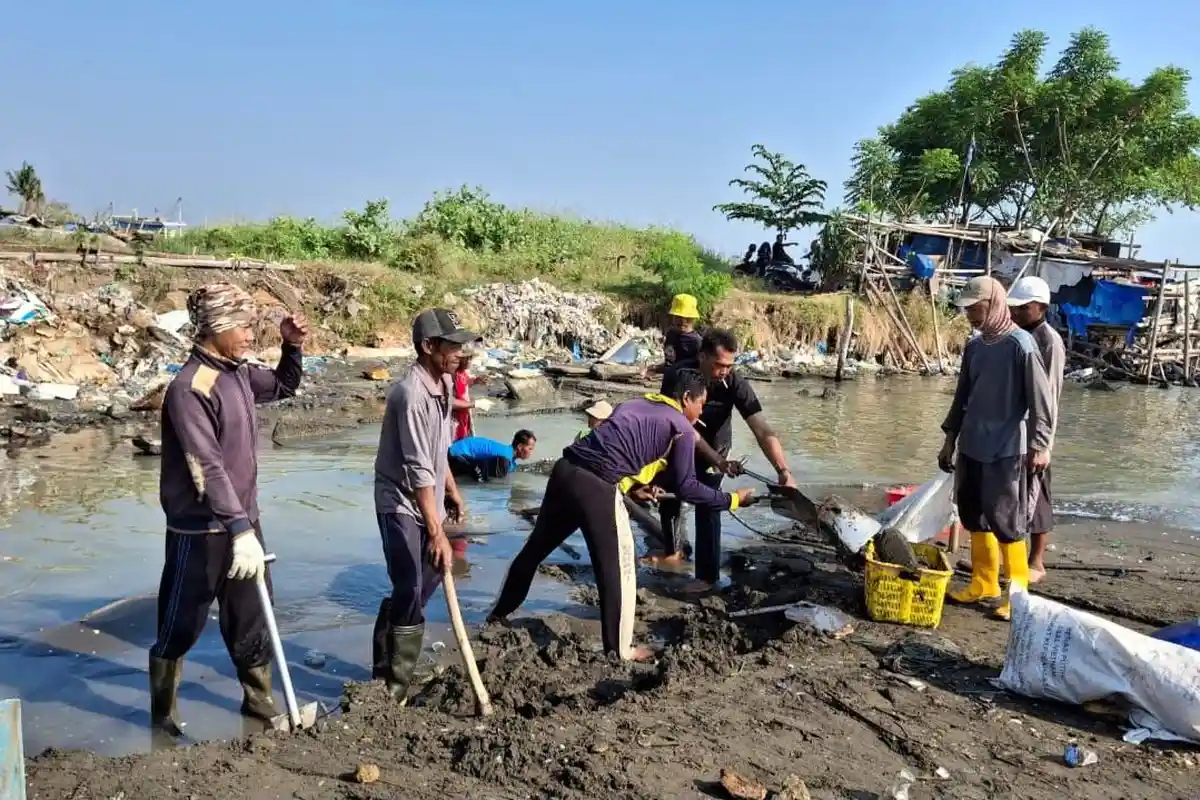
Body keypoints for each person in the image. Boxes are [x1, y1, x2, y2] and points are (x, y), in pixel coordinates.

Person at [488, 369, 755, 661]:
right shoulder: (681, 427)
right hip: (596, 487)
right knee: (619, 570)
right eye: (701, 403)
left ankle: (496, 615)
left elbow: (620, 448)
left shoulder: (632, 403)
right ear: (687, 398)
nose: (701, 411)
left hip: (566, 470)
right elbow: (687, 487)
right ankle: (619, 650)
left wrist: (634, 488)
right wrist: (730, 500)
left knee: (533, 551)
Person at [149, 282, 308, 736]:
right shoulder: (190, 387)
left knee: (253, 617)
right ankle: (162, 715)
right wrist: (239, 530)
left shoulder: (238, 372)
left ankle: (258, 701)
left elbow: (283, 386)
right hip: (200, 532)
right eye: (242, 325)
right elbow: (206, 467)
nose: (249, 334)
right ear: (215, 327)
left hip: (243, 524)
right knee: (180, 624)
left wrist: (291, 346)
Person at [372, 308, 478, 704]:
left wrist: (451, 488)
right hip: (399, 498)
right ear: (428, 346)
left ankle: (388, 643)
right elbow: (417, 469)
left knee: (427, 579)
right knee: (411, 582)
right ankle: (395, 684)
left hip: (429, 494)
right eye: (452, 346)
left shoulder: (445, 385)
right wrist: (437, 532)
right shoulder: (412, 394)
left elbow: (437, 449)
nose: (459, 353)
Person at [940, 277, 1054, 621]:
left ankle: (1015, 594)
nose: (971, 315)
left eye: (976, 308)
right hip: (972, 443)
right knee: (973, 514)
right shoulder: (975, 348)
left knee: (1008, 520)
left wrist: (1040, 444)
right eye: (967, 310)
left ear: (994, 304)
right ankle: (983, 582)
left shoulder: (1022, 346)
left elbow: (1041, 401)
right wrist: (949, 439)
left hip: (1007, 447)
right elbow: (962, 397)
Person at [655, 329, 795, 587]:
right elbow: (680, 426)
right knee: (669, 498)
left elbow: (761, 429)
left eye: (729, 365)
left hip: (716, 449)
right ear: (702, 357)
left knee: (710, 504)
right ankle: (674, 553)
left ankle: (706, 578)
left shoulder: (735, 383)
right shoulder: (678, 376)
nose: (724, 371)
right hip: (680, 441)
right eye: (719, 365)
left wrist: (783, 470)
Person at [1007, 276, 1065, 584]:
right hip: (1015, 427)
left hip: (1037, 429)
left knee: (1037, 494)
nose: (1016, 312)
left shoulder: (1048, 340)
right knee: (1014, 494)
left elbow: (1050, 393)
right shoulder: (1019, 335)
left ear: (1040, 307)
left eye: (1023, 308)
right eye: (1014, 307)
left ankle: (1037, 561)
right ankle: (1013, 558)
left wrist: (1043, 443)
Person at [447, 429, 537, 482]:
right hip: (456, 453)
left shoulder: (509, 458)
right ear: (520, 447)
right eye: (530, 448)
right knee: (483, 481)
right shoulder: (504, 458)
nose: (531, 452)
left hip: (461, 451)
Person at [451, 350, 488, 441]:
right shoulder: (452, 375)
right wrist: (475, 404)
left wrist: (476, 380)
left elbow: (466, 382)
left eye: (471, 359)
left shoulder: (463, 372)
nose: (469, 362)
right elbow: (451, 402)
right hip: (455, 419)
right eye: (467, 359)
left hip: (464, 415)